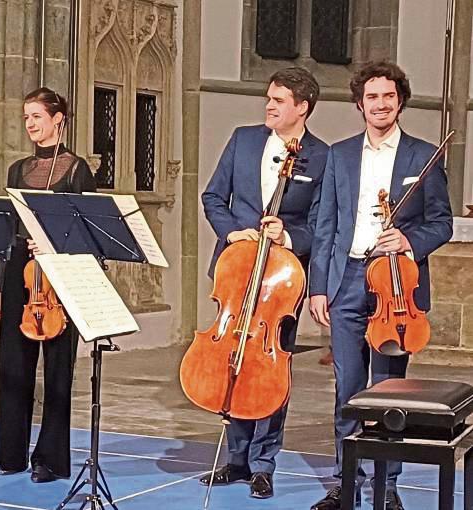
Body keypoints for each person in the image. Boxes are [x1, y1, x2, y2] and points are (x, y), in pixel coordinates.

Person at [308, 61, 453, 510]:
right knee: (347, 389)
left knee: (390, 391)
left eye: (388, 96)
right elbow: (326, 224)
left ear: (400, 101)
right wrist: (318, 287)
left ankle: (387, 487)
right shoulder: (340, 154)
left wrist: (409, 240)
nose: (380, 104)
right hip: (348, 278)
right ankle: (345, 483)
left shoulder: (423, 155)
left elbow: (441, 223)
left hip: (397, 286)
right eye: (372, 97)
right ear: (359, 103)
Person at [199, 67, 329, 500]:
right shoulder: (243, 138)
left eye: (278, 100)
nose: (269, 106)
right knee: (232, 360)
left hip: (281, 284)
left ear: (302, 107)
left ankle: (263, 463)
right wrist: (233, 233)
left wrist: (288, 237)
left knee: (272, 370)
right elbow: (213, 197)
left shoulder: (323, 156)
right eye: (268, 98)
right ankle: (235, 460)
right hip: (237, 272)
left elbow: (320, 225)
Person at [0, 87, 96, 483]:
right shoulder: (17, 170)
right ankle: (11, 453)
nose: (30, 124)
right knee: (14, 366)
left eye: (37, 117)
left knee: (57, 371)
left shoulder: (78, 169)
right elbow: (8, 230)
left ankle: (50, 458)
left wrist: (54, 242)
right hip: (19, 272)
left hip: (59, 277)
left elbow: (88, 231)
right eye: (26, 117)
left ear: (58, 119)